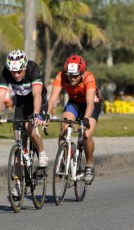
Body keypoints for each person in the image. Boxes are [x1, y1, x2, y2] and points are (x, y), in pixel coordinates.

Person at [0, 49, 49, 198]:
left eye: (19, 72)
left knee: (29, 129)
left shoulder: (32, 68)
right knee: (18, 142)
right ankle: (18, 184)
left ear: (25, 68)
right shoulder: (6, 72)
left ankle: (42, 153)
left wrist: (36, 114)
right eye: (13, 72)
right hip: (21, 104)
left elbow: (37, 94)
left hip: (38, 102)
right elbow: (0, 95)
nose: (16, 75)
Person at [46, 55, 101, 185]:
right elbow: (52, 99)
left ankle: (89, 165)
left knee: (86, 134)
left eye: (76, 75)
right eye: (70, 75)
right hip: (74, 103)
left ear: (82, 73)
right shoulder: (61, 76)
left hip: (91, 103)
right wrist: (45, 114)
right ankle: (65, 162)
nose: (72, 78)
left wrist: (86, 119)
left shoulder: (89, 78)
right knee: (64, 127)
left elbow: (90, 104)